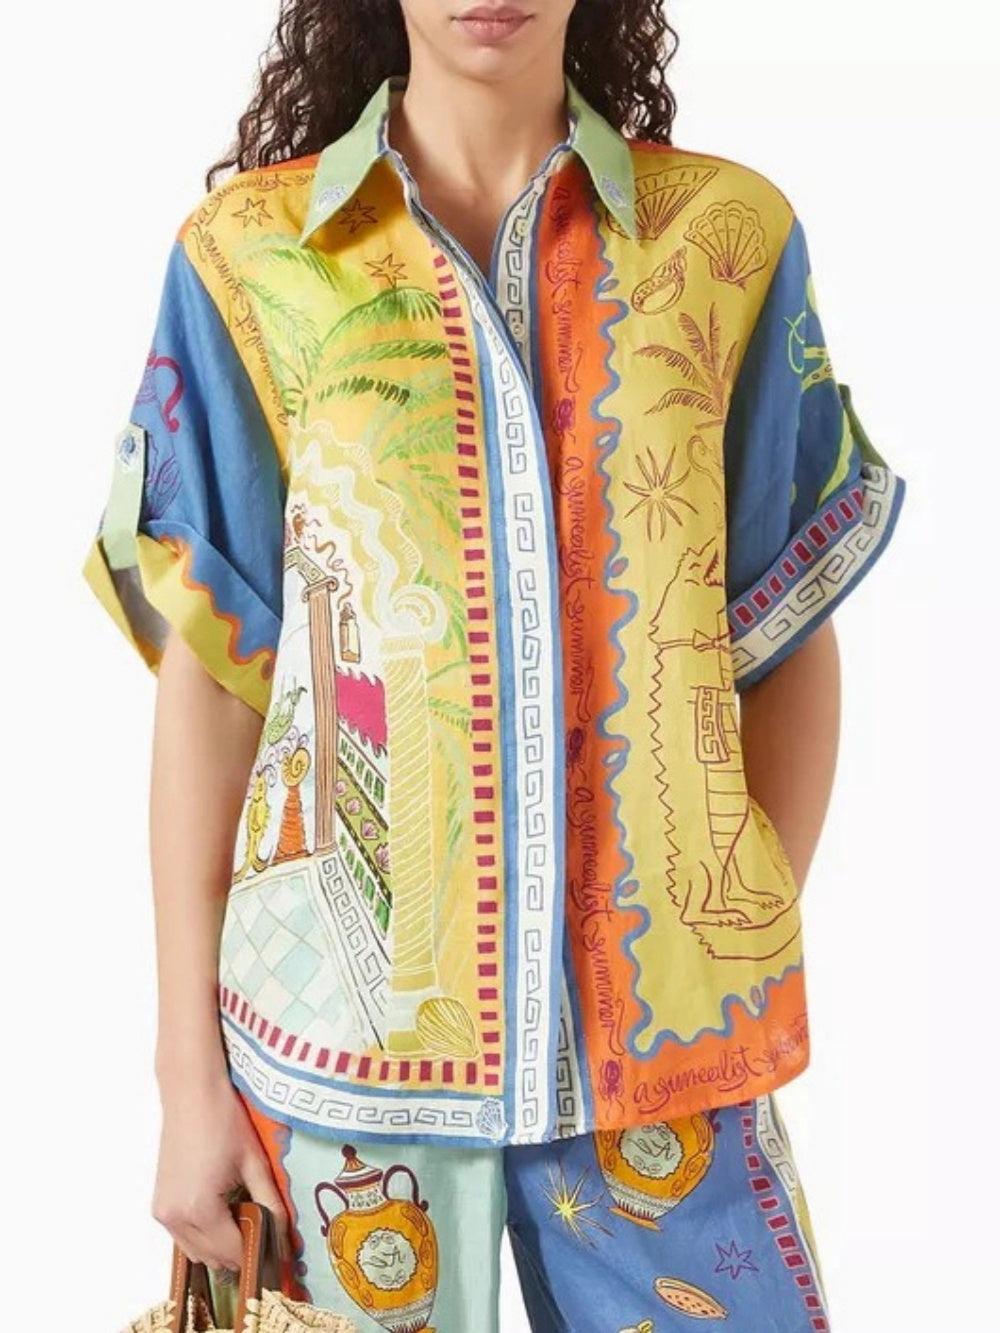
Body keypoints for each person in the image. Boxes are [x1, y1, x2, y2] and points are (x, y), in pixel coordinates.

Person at [83, 2, 905, 1329]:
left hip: (660, 1067)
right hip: (340, 1063)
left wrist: (714, 936)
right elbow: (217, 677)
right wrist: (187, 1080)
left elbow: (785, 621)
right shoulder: (250, 259)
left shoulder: (726, 242)